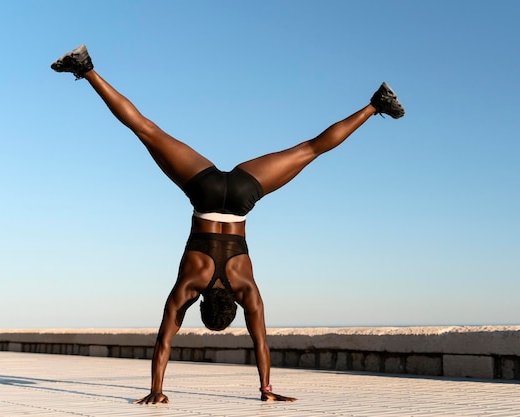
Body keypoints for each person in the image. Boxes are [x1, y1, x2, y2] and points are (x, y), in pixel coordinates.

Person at [51, 44, 404, 404]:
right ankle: (86, 68)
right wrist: (156, 390)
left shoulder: (245, 288)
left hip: (241, 195)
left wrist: (267, 390)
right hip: (203, 191)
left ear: (232, 304)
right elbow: (164, 341)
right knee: (147, 130)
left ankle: (376, 103)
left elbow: (260, 341)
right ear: (201, 304)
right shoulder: (189, 284)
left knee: (309, 149)